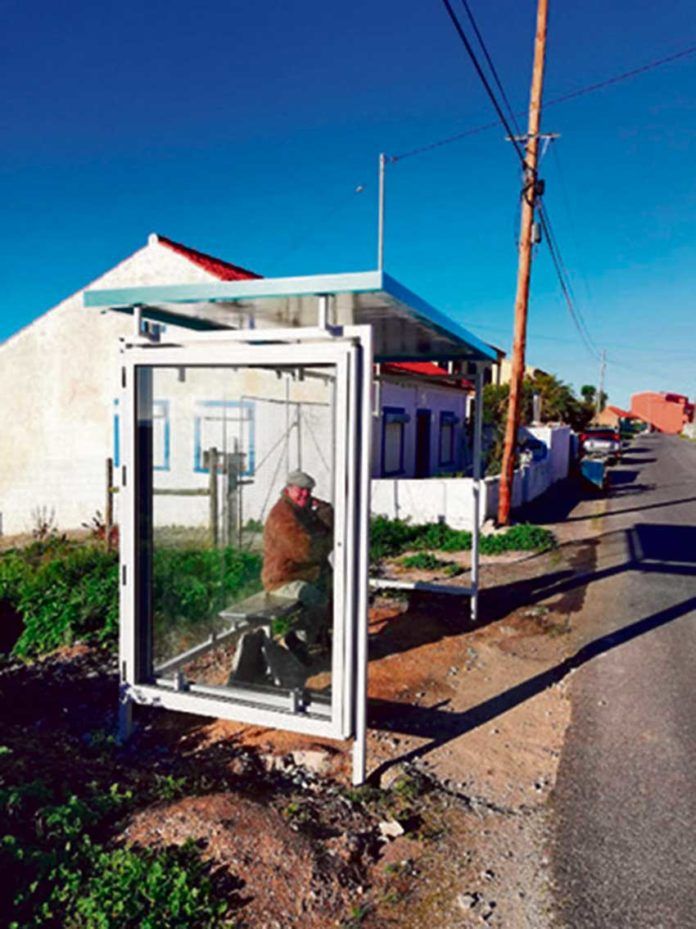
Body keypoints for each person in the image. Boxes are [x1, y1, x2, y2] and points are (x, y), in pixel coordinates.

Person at [262, 470, 334, 650]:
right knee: (318, 600)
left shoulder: (299, 509)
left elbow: (320, 537)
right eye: (300, 490)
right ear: (288, 489)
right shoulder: (282, 517)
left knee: (335, 590)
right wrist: (328, 538)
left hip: (302, 573)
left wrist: (324, 510)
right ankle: (297, 640)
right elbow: (306, 551)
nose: (305, 495)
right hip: (282, 578)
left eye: (308, 491)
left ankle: (320, 637)